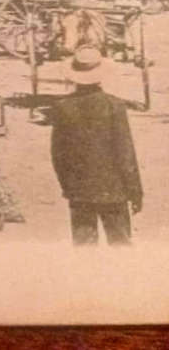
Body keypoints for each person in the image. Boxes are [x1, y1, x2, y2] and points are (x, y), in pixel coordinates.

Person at [38, 47, 143, 246]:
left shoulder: (62, 107)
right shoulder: (114, 106)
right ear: (101, 76)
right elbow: (125, 153)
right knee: (120, 244)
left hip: (79, 189)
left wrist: (67, 186)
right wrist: (135, 191)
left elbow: (58, 154)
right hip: (113, 189)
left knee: (84, 247)